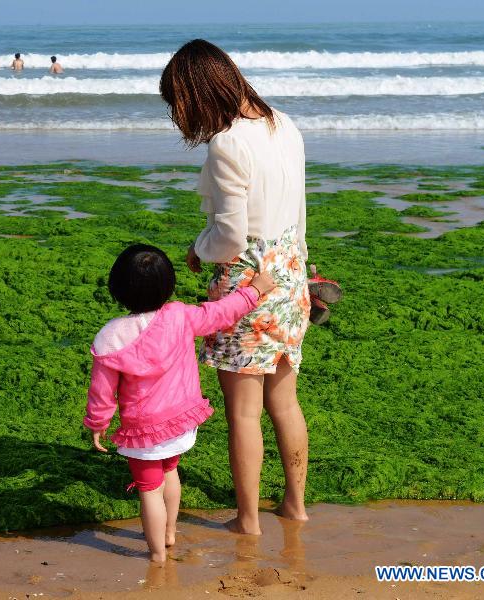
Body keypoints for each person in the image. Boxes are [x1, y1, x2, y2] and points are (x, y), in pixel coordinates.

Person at [159, 39, 311, 536]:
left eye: (181, 103)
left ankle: (248, 520)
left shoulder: (228, 143)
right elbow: (299, 212)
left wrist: (198, 248)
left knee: (243, 413)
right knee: (284, 402)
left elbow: (229, 237)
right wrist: (299, 269)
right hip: (289, 273)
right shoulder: (284, 124)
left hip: (246, 286)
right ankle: (295, 505)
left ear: (199, 93)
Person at [85, 244, 275, 562]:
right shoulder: (180, 317)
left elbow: (102, 391)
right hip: (180, 422)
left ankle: (157, 553)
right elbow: (221, 313)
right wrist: (254, 290)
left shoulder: (111, 336)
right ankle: (171, 533)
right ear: (168, 286)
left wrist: (97, 423)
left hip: (143, 431)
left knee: (149, 489)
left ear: (117, 289)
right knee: (171, 472)